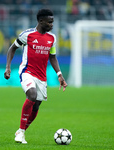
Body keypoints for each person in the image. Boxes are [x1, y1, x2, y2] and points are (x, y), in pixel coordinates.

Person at [4, 8, 67, 144]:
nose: (52, 25)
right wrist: (8, 67)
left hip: (41, 76)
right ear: (41, 21)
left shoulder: (52, 38)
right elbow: (12, 48)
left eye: (53, 22)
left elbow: (53, 57)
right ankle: (21, 133)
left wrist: (59, 75)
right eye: (50, 22)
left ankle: (22, 130)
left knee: (36, 106)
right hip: (27, 71)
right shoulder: (27, 35)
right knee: (31, 95)